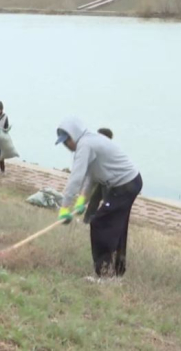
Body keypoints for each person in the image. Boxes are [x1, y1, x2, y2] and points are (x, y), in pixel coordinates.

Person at [55, 117, 142, 281]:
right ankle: (115, 275)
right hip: (130, 182)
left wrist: (65, 208)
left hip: (125, 185)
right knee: (117, 226)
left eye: (67, 142)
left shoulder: (85, 145)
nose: (67, 146)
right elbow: (90, 178)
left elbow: (76, 178)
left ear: (74, 135)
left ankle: (104, 275)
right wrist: (81, 203)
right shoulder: (90, 141)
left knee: (100, 223)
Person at [83, 128, 114, 224]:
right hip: (102, 179)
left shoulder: (108, 150)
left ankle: (107, 223)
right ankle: (87, 221)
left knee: (107, 203)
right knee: (94, 200)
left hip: (110, 181)